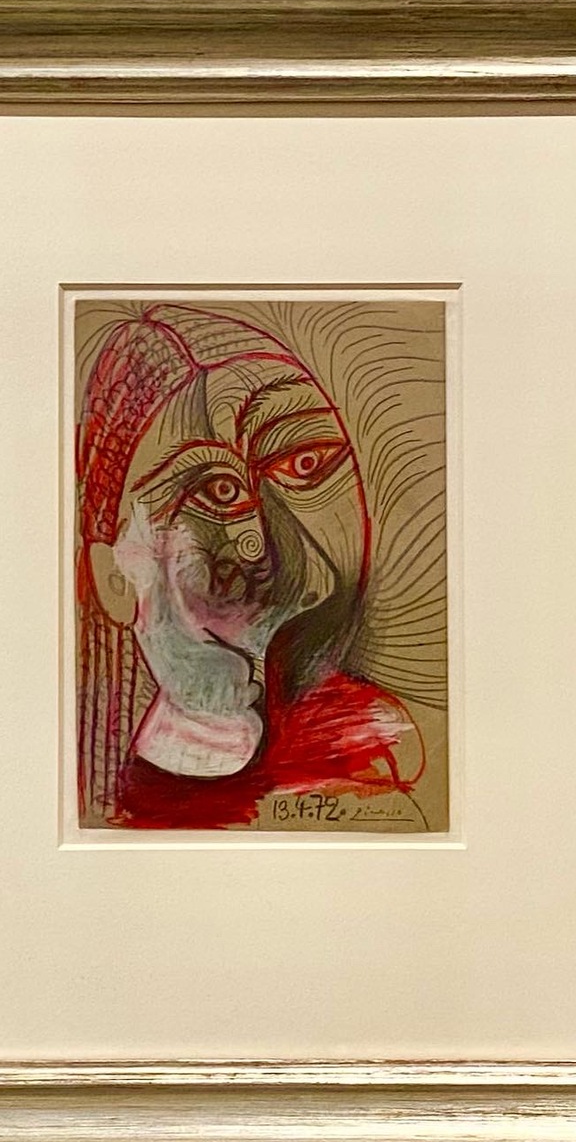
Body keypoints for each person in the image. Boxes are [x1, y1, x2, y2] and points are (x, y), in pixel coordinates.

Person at [76, 303, 426, 830]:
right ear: (114, 578)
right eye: (219, 491)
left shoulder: (375, 759)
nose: (313, 578)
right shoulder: (98, 806)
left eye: (306, 465)